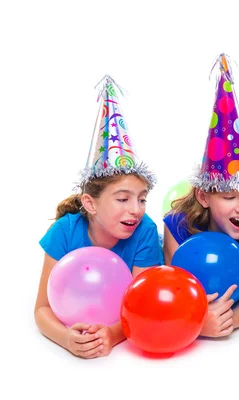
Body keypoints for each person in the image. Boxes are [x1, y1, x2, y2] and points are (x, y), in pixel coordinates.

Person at [35, 76, 163, 359]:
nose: (136, 209)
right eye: (122, 199)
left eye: (142, 199)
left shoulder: (145, 231)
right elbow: (43, 308)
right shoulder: (64, 231)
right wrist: (66, 338)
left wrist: (114, 334)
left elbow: (141, 308)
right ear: (90, 203)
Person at [163, 54, 239, 338]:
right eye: (229, 198)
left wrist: (225, 325)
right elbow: (178, 291)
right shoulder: (176, 225)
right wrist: (198, 323)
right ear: (204, 197)